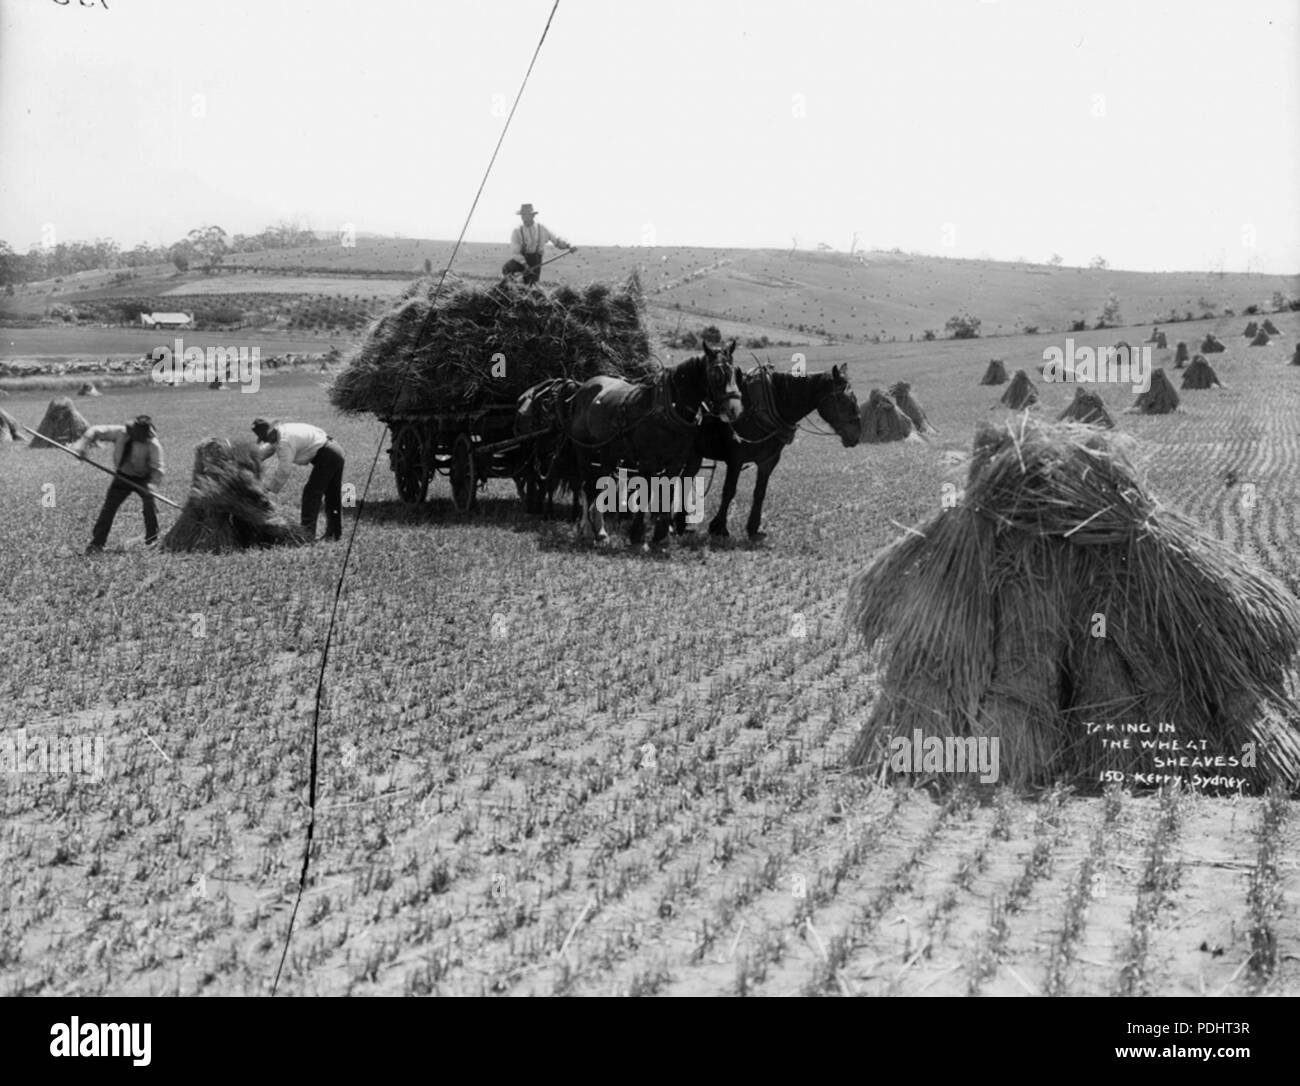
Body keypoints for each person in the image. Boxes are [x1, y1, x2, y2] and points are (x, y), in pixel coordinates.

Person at [73, 414, 166, 553]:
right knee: (109, 509)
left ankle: (152, 540)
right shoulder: (122, 432)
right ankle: (97, 543)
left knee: (149, 507)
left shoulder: (152, 444)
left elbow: (158, 468)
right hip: (122, 476)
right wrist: (82, 445)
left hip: (144, 479)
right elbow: (95, 430)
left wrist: (152, 486)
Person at [251, 417, 345, 541]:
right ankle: (334, 534)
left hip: (328, 455)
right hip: (334, 450)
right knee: (332, 495)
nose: (266, 441)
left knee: (311, 494)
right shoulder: (280, 433)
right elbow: (267, 450)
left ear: (271, 432)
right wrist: (250, 461)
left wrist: (268, 489)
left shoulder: (285, 441)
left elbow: (284, 470)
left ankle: (307, 535)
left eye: (265, 438)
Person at [501, 203, 575, 285]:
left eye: (526, 215)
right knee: (506, 269)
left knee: (531, 286)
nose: (524, 217)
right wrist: (525, 265)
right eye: (523, 215)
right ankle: (512, 289)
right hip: (521, 259)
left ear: (533, 216)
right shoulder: (517, 231)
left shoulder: (541, 229)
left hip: (536, 260)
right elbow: (516, 252)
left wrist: (569, 245)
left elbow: (556, 241)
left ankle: (525, 289)